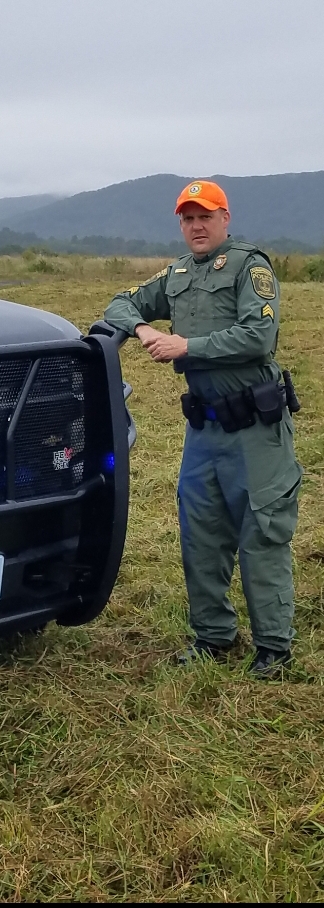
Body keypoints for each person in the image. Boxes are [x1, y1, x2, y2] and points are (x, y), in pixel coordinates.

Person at [104, 180, 302, 677]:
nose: (196, 226)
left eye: (205, 217)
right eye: (188, 218)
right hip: (204, 431)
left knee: (262, 532)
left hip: (255, 430)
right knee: (201, 533)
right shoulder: (175, 274)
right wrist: (147, 330)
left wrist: (186, 346)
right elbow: (119, 304)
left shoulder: (248, 266)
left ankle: (274, 647)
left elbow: (260, 336)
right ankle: (213, 636)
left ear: (225, 218)